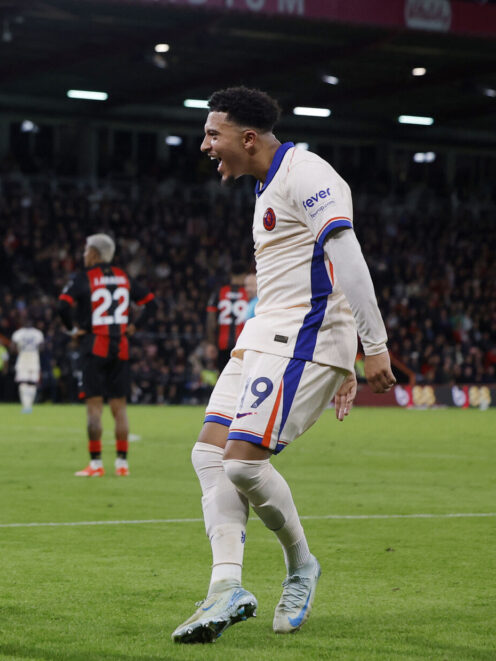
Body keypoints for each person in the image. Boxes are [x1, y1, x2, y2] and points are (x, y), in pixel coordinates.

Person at [171, 86, 396, 644]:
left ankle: (301, 567)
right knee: (207, 453)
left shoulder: (308, 173)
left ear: (248, 138)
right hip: (264, 333)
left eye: (212, 134)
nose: (205, 145)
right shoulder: (266, 184)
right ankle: (226, 586)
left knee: (243, 464)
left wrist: (371, 346)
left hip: (305, 337)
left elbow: (347, 257)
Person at [57, 233, 154, 477]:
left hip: (94, 346)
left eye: (86, 250)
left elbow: (63, 305)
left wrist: (72, 330)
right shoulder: (124, 276)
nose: (83, 255)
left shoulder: (85, 277)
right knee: (120, 409)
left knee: (94, 410)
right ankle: (122, 465)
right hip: (120, 347)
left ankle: (96, 464)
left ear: (95, 254)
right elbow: (151, 303)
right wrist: (134, 326)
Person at [206, 262, 250, 372]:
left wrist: (211, 343)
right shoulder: (249, 292)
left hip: (222, 344)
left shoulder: (219, 291)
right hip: (243, 344)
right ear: (245, 275)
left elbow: (211, 321)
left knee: (223, 379)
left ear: (231, 275)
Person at [10, 321, 45, 413]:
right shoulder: (38, 333)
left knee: (23, 382)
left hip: (23, 358)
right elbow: (42, 348)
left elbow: (12, 348)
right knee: (32, 382)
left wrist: (20, 349)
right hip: (34, 358)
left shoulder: (18, 333)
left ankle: (26, 405)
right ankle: (29, 405)